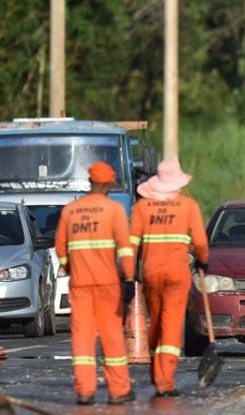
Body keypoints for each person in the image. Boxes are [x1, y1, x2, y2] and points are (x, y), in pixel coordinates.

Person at [54, 162, 136, 406]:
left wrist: (73, 269)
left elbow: (61, 249)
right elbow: (125, 250)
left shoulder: (71, 211)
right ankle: (118, 390)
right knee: (112, 337)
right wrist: (130, 279)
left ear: (91, 182)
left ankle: (84, 391)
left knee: (82, 338)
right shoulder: (114, 210)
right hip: (108, 285)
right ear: (109, 184)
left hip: (80, 285)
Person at [130, 157, 209, 398]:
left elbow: (131, 243)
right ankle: (165, 382)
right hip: (177, 274)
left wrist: (130, 272)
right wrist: (203, 261)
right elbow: (201, 243)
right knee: (171, 326)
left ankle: (157, 373)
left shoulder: (143, 208)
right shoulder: (188, 207)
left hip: (151, 275)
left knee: (155, 324)